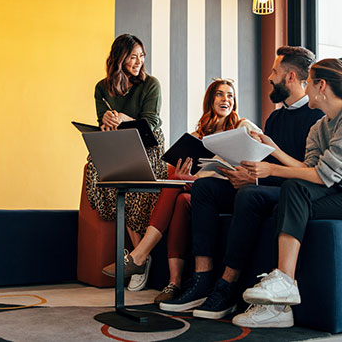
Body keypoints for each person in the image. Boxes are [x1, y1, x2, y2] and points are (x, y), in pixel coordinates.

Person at [233, 58, 342, 328]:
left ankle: (283, 283)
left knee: (293, 192)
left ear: (321, 86)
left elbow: (321, 175)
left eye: (309, 82)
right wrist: (274, 150)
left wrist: (271, 169)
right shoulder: (320, 127)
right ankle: (279, 307)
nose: (304, 88)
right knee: (286, 203)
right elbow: (310, 169)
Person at [159, 46, 324, 323]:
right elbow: (260, 159)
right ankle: (202, 280)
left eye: (275, 71)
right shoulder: (275, 118)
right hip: (262, 183)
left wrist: (256, 178)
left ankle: (227, 287)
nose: (269, 77)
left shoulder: (316, 117)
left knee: (249, 195)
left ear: (291, 77)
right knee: (204, 189)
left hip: (292, 192)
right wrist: (242, 172)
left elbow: (308, 173)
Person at [102, 78, 261, 300]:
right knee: (177, 187)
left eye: (230, 95)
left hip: (233, 191)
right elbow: (186, 175)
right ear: (210, 101)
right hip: (202, 193)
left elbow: (261, 155)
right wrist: (184, 177)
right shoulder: (197, 137)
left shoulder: (242, 126)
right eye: (220, 94)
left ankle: (139, 256)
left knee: (180, 186)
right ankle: (173, 283)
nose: (226, 99)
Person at [86, 34, 167, 286]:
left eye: (141, 56)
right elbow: (102, 120)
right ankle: (139, 258)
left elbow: (151, 123)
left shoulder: (151, 84)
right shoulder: (102, 87)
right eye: (133, 56)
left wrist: (123, 118)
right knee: (97, 169)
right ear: (119, 58)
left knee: (131, 182)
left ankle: (137, 260)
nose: (138, 61)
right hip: (118, 142)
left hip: (147, 144)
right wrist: (107, 122)